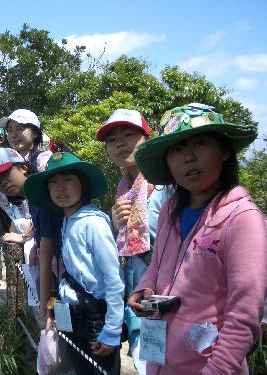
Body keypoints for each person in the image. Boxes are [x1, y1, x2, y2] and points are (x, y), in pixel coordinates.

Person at [127, 103, 267, 374]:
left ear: (225, 152)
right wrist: (144, 287)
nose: (188, 157)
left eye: (200, 143)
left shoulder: (243, 220)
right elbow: (157, 265)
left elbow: (243, 318)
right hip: (160, 361)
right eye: (177, 149)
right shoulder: (170, 209)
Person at [24, 151, 124, 374]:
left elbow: (114, 279)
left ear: (84, 185)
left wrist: (112, 330)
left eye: (69, 180)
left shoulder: (93, 223)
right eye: (53, 182)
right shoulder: (69, 220)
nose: (61, 188)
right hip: (75, 316)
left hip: (96, 322)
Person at [97, 108, 169, 373]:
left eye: (128, 134)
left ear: (146, 139)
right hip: (137, 301)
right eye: (112, 140)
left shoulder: (165, 184)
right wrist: (116, 225)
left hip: (167, 300)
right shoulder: (125, 188)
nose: (120, 143)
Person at [0, 109, 57, 320]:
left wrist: (30, 237)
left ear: (35, 132)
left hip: (49, 237)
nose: (14, 134)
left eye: (21, 128)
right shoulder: (16, 162)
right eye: (10, 130)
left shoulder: (43, 160)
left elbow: (48, 205)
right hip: (38, 238)